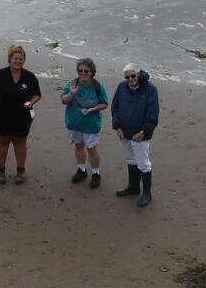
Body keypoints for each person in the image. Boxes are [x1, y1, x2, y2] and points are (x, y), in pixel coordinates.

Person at [0, 44, 41, 184]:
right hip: (0, 116)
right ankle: (0, 172)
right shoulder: (0, 75)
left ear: (24, 60)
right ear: (10, 59)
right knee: (1, 143)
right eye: (15, 58)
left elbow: (37, 95)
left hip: (22, 117)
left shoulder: (29, 77)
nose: (18, 61)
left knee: (20, 143)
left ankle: (20, 172)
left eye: (21, 59)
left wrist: (31, 103)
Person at [111, 63, 159, 207]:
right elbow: (115, 107)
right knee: (131, 159)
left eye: (133, 75)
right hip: (124, 133)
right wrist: (117, 127)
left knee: (143, 164)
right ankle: (133, 187)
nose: (130, 79)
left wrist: (144, 131)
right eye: (127, 77)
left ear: (138, 74)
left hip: (141, 135)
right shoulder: (122, 87)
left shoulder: (150, 89)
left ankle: (147, 193)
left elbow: (153, 114)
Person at [58, 57, 108, 188]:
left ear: (92, 72)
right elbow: (63, 101)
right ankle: (82, 170)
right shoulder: (72, 84)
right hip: (74, 123)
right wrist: (71, 93)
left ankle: (96, 173)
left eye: (86, 71)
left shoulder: (98, 86)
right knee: (79, 146)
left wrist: (93, 109)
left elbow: (104, 104)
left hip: (91, 124)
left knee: (91, 149)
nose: (83, 73)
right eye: (80, 70)